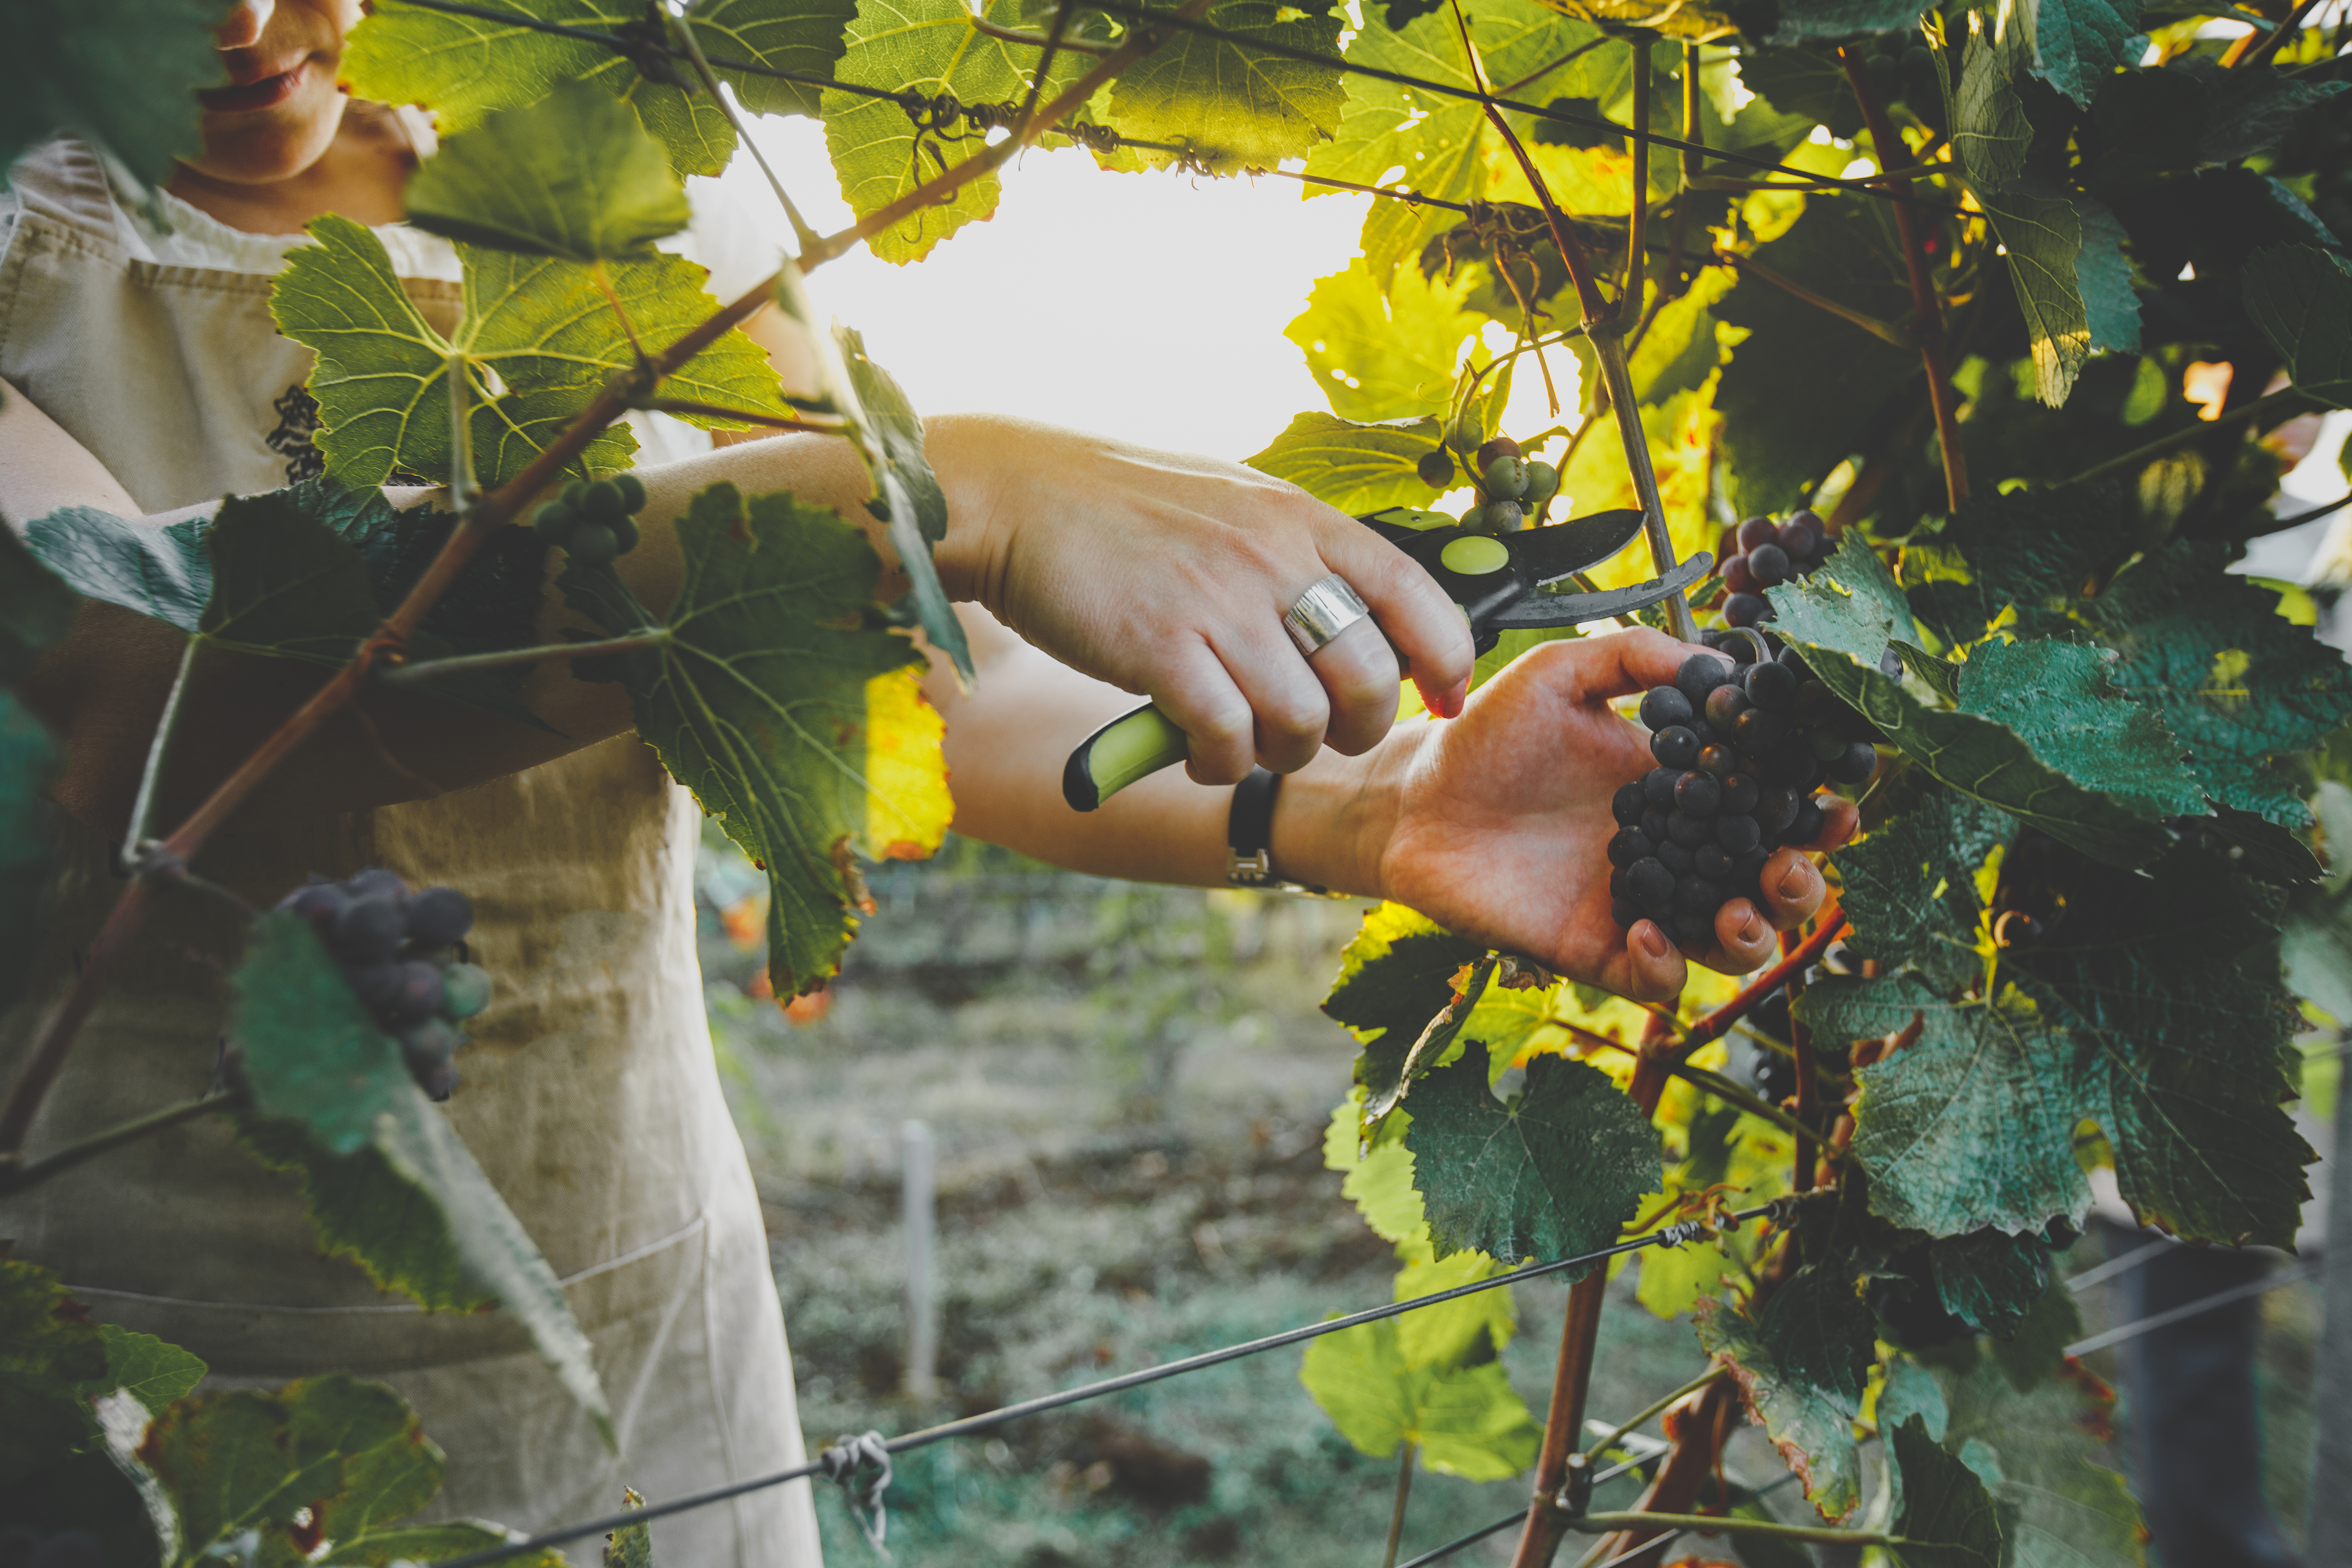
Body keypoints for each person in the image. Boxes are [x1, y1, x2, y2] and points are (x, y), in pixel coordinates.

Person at [0, 0, 1852, 1559]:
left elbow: (911, 709)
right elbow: (155, 675)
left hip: (637, 1328)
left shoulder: (599, 196)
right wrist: (945, 493)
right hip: (136, 1378)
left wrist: (1372, 805)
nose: (240, 23)